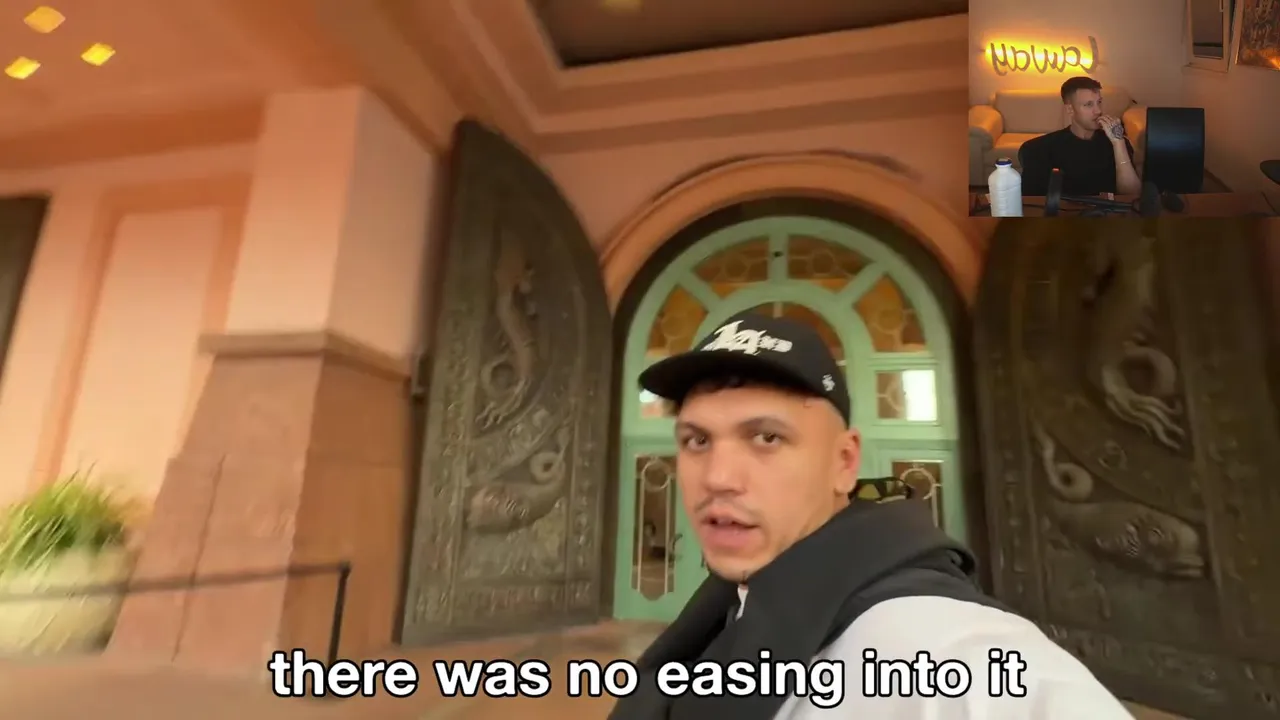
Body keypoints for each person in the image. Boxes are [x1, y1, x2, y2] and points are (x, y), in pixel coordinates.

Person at [607, 310, 1132, 719]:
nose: (717, 476)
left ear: (844, 462)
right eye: (697, 440)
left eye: (766, 437)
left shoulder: (940, 651)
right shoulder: (735, 599)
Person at [1019, 76, 1141, 197]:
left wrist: (1118, 143)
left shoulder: (1117, 143)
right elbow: (1031, 201)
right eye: (1088, 104)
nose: (1098, 111)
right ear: (1070, 109)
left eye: (1099, 102)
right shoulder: (1039, 149)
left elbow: (1132, 195)